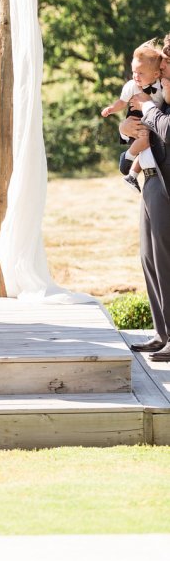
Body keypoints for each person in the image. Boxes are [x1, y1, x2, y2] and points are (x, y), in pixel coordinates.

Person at [120, 36, 170, 359]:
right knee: (149, 258)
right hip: (150, 181)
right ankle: (161, 332)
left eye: (165, 62)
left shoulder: (160, 100)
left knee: (166, 258)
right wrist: (125, 130)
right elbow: (138, 127)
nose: (162, 66)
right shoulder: (160, 95)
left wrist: (149, 108)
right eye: (163, 61)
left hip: (166, 185)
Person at [102, 44, 165, 192]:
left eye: (141, 73)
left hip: (153, 119)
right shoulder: (132, 86)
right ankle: (128, 157)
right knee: (145, 140)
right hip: (137, 119)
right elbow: (122, 102)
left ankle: (132, 175)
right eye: (134, 72)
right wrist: (112, 109)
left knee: (148, 144)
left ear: (156, 74)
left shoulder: (161, 85)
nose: (136, 76)